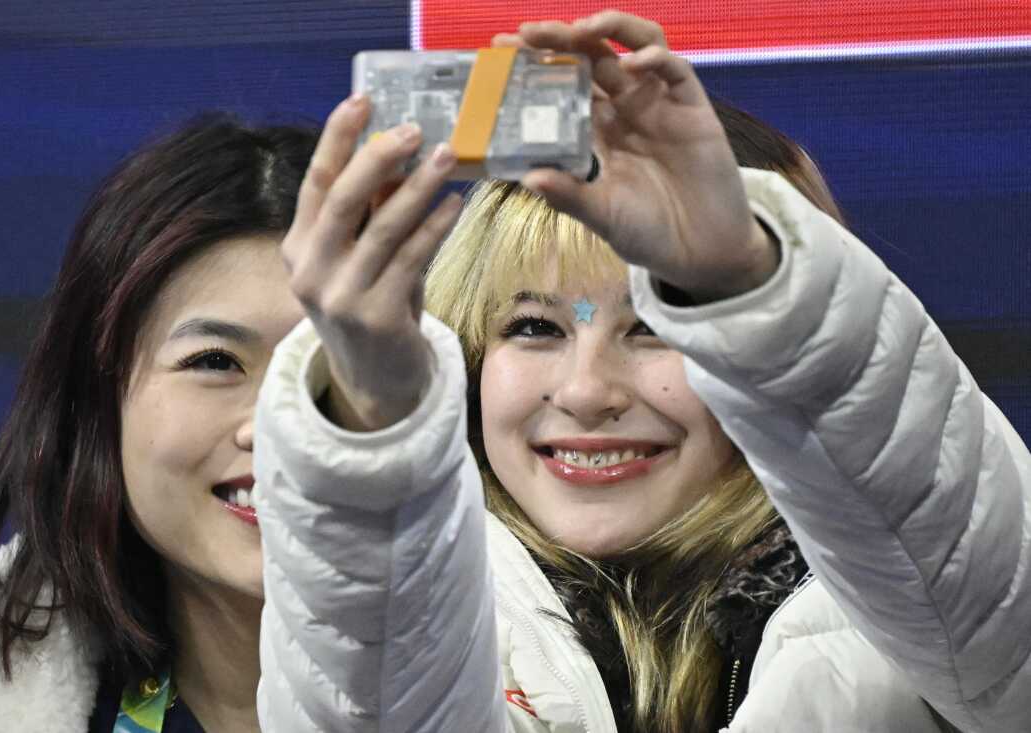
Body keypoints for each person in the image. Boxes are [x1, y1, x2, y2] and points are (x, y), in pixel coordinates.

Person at [253, 10, 1029, 733]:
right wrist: (375, 414)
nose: (588, 391)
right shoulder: (424, 613)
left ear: (756, 346)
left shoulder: (924, 621)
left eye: (658, 325)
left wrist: (757, 284)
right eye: (532, 327)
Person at [0, 116, 318, 732]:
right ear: (99, 400)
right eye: (214, 361)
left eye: (333, 365)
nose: (280, 428)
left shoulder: (517, 685)